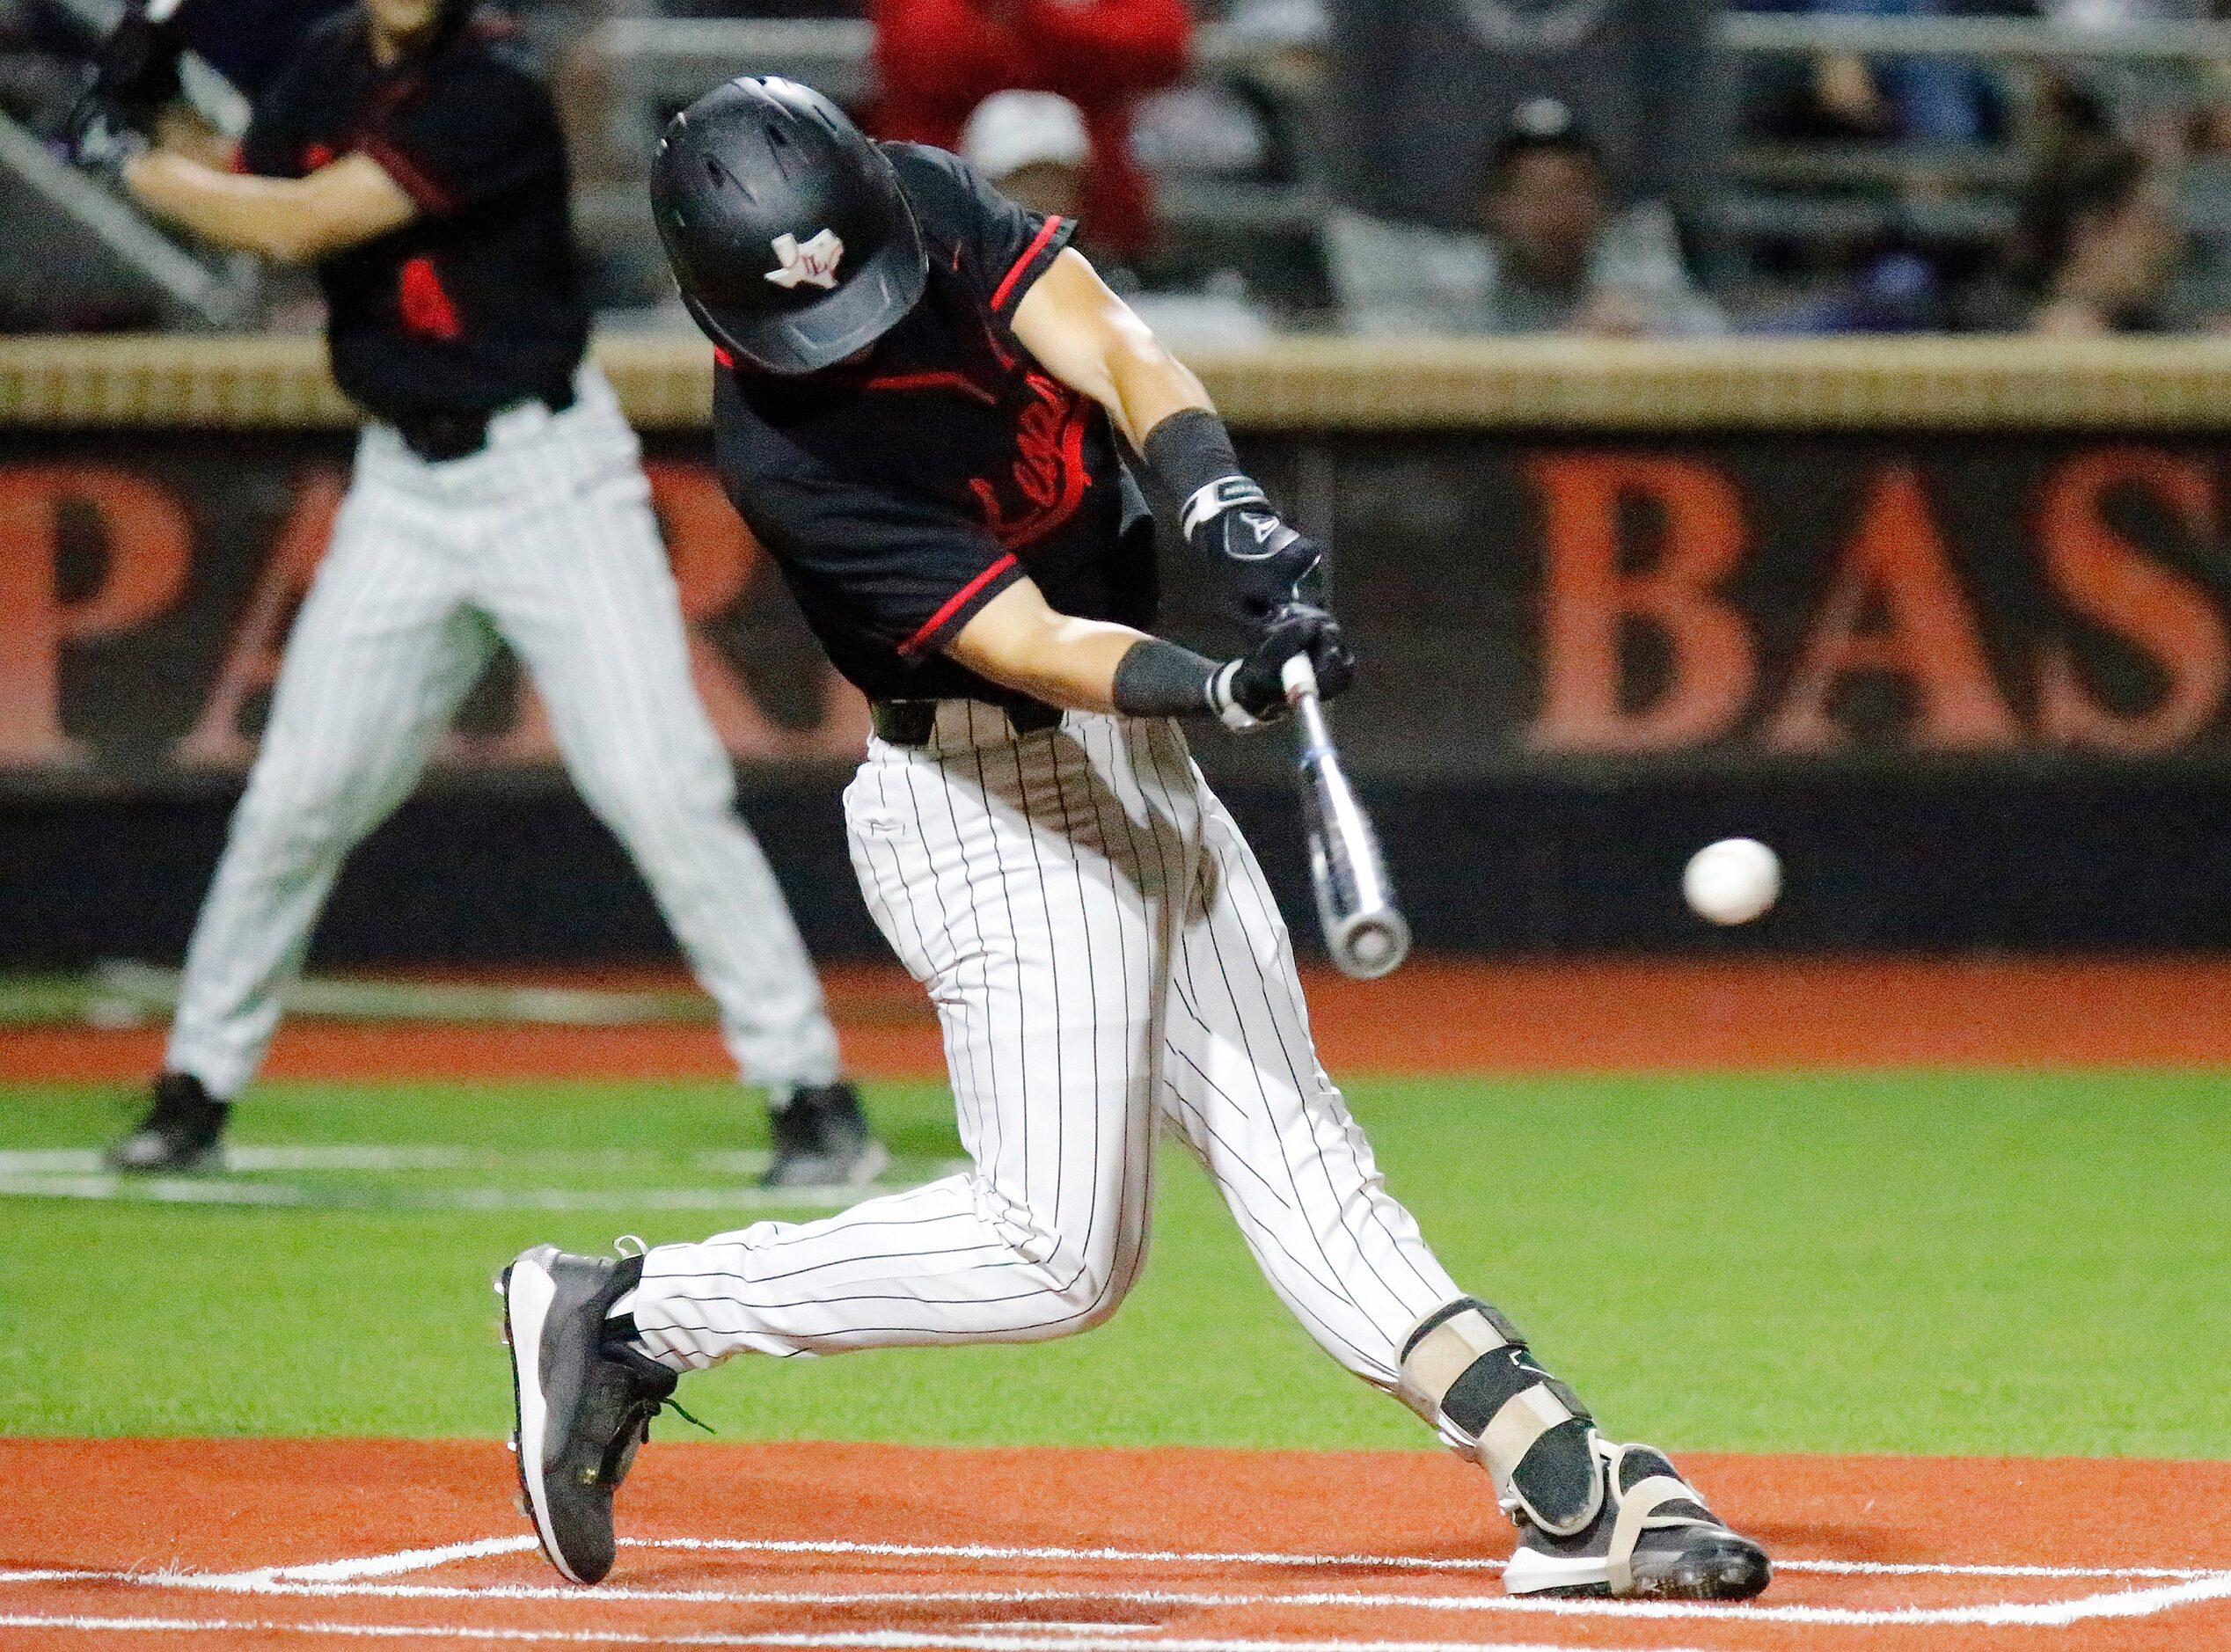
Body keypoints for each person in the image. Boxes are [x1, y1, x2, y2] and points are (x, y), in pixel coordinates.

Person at [496, 76, 1775, 1606]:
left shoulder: (924, 199)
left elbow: (1109, 341)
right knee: (1057, 1258)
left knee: (1298, 1145)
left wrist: (1218, 497)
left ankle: (1558, 1471)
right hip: (983, 805)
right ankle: (632, 1310)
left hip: (1131, 762)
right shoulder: (787, 452)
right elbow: (1030, 639)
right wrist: (1216, 679)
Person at [63, 0, 884, 1189]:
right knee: (297, 798)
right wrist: (157, 107)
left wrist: (124, 157)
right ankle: (194, 1087)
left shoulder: (492, 83)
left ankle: (811, 1092)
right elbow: (246, 173)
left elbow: (300, 221)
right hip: (404, 484)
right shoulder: (333, 61)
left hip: (550, 477)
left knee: (663, 789)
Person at [1326, 99, 1726, 338]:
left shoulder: (1645, 289)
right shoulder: (1448, 294)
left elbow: (1724, 350)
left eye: (1574, 191)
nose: (1555, 213)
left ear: (1604, 205)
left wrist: (1650, 341)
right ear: (1490, 205)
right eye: (1532, 193)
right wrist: (1564, 348)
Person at [870, 0, 1190, 260]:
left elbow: (1157, 41)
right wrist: (1068, 35)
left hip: (1101, 232)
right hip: (943, 233)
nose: (1038, 203)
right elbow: (924, 50)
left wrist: (1028, 15)